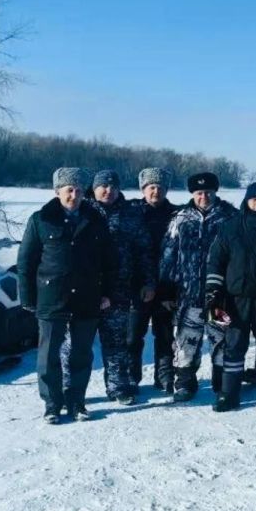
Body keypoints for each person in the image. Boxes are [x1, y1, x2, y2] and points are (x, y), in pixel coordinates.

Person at [17, 167, 116, 424]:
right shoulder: (40, 220)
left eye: (79, 190)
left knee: (81, 354)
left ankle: (77, 402)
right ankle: (52, 404)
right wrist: (27, 297)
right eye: (69, 190)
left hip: (87, 297)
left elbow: (109, 262)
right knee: (48, 355)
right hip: (52, 297)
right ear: (57, 191)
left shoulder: (96, 220)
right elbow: (26, 262)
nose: (74, 195)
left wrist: (107, 293)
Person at [205, 182, 256, 413]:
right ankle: (228, 395)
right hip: (236, 299)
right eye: (254, 199)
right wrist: (213, 293)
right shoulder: (230, 228)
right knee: (234, 347)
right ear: (247, 200)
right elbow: (216, 261)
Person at [160, 172, 238, 402]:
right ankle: (184, 383)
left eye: (208, 192)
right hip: (188, 295)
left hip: (220, 297)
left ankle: (221, 382)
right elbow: (168, 254)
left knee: (221, 340)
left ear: (215, 192)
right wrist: (166, 288)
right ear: (192, 193)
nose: (204, 196)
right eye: (199, 193)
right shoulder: (181, 217)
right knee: (186, 342)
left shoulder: (229, 217)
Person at [87, 169, 156, 405]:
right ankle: (72, 392)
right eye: (103, 186)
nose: (108, 191)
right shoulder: (82, 212)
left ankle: (118, 387)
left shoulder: (130, 214)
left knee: (116, 342)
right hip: (85, 289)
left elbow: (144, 251)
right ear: (94, 189)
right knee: (76, 345)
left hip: (120, 289)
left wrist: (148, 281)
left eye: (113, 187)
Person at [128, 167, 180, 394]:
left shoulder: (177, 214)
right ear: (143, 189)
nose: (155, 191)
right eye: (151, 187)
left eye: (159, 187)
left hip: (167, 284)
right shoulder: (132, 212)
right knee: (133, 335)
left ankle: (165, 376)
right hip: (137, 286)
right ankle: (131, 377)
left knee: (165, 334)